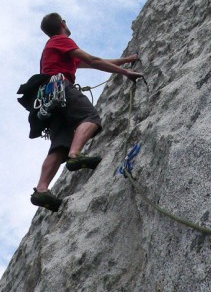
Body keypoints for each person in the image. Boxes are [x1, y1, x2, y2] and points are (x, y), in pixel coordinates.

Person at [30, 13, 143, 212]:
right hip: (61, 88)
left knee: (59, 144)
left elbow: (94, 62)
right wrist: (126, 73)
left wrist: (126, 60)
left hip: (49, 100)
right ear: (62, 23)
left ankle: (42, 189)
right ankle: (75, 155)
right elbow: (92, 60)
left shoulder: (54, 50)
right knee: (90, 118)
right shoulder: (61, 40)